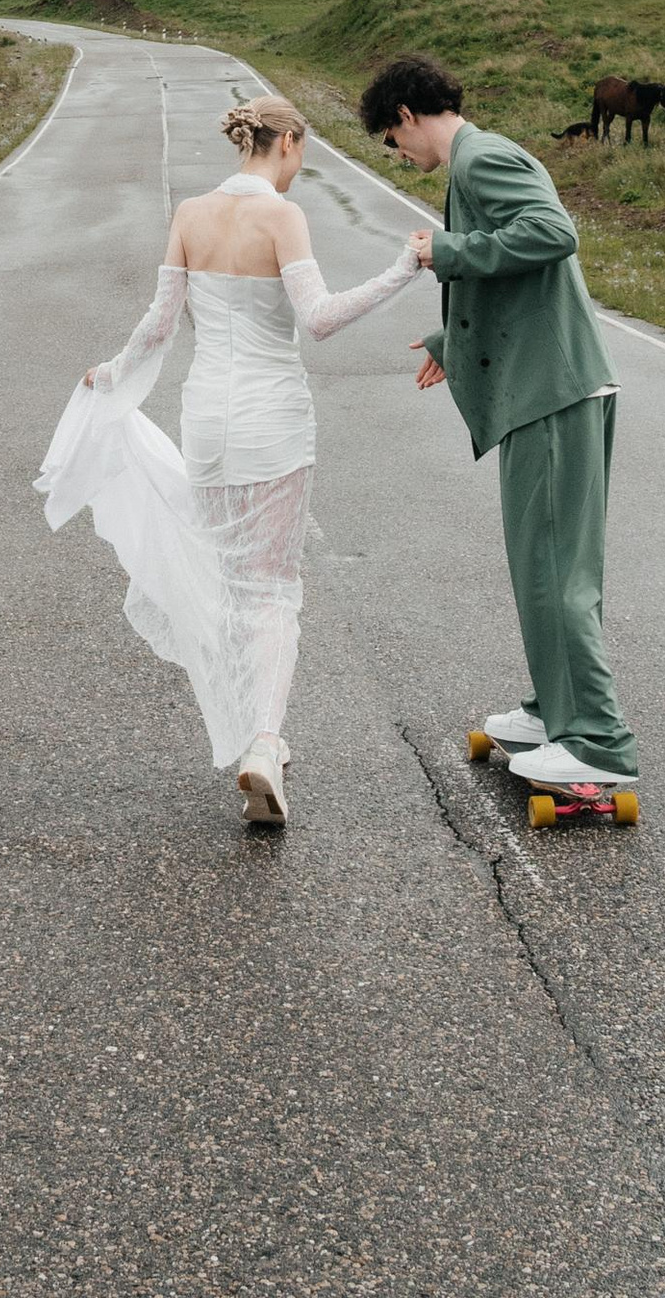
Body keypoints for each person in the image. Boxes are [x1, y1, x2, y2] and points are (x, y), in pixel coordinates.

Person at [37, 90, 424, 826]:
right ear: (288, 143)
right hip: (271, 419)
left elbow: (160, 324)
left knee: (232, 582)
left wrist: (110, 375)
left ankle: (255, 728)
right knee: (272, 588)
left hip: (206, 420)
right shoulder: (282, 216)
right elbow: (319, 319)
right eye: (302, 153)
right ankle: (263, 743)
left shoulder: (190, 214)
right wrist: (403, 268)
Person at [355, 49, 641, 801]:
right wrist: (452, 341)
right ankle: (555, 712)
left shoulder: (479, 159)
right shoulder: (473, 163)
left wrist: (444, 251)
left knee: (555, 570)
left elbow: (552, 233)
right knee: (543, 566)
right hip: (547, 387)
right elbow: (520, 279)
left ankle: (599, 743)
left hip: (552, 393)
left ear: (406, 115)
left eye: (392, 138)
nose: (398, 153)